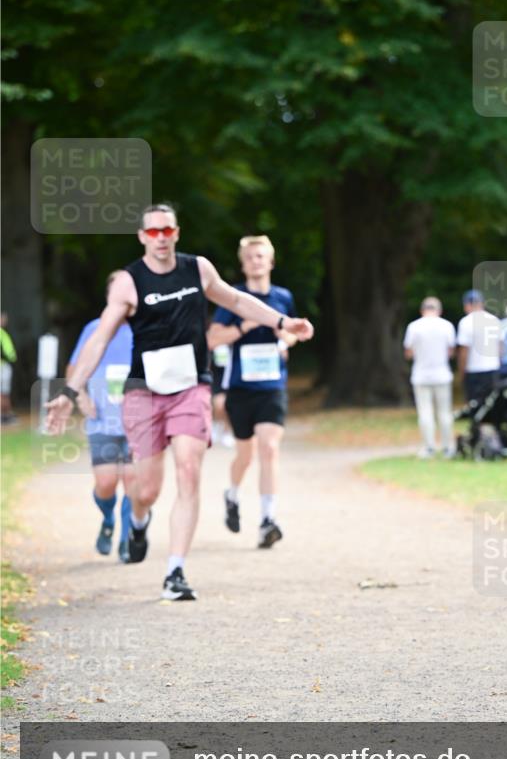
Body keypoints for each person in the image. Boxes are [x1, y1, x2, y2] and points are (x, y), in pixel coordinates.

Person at [46, 206, 314, 600]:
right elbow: (99, 340)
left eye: (166, 229)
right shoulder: (128, 282)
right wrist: (70, 391)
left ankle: (175, 572)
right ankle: (138, 522)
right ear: (142, 236)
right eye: (152, 231)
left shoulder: (198, 269)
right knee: (147, 488)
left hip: (191, 386)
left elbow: (238, 300)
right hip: (144, 390)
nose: (160, 237)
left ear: (176, 233)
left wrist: (281, 322)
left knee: (189, 470)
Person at [207, 235, 299, 548]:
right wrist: (243, 327)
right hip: (240, 388)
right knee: (245, 455)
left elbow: (293, 335)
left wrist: (285, 338)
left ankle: (267, 520)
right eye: (250, 257)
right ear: (243, 263)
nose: (256, 262)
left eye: (261, 256)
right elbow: (212, 339)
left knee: (269, 449)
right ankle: (232, 495)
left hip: (272, 386)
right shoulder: (234, 298)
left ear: (270, 261)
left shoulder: (283, 298)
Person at [67, 272, 135, 559]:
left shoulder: (145, 329)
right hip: (102, 420)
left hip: (137, 423)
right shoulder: (94, 329)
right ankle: (108, 520)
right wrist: (81, 396)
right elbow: (73, 370)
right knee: (106, 484)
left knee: (134, 482)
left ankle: (127, 539)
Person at [403, 296, 456, 458]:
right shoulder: (447, 326)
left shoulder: (414, 327)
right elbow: (451, 351)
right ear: (439, 310)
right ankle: (447, 447)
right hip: (442, 374)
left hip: (421, 375)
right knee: (445, 412)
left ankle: (429, 447)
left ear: (422, 310)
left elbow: (408, 353)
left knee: (425, 412)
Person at [456, 290, 501, 405]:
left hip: (474, 370)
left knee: (475, 405)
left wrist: (462, 372)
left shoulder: (465, 322)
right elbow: (500, 348)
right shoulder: (494, 320)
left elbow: (464, 352)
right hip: (493, 369)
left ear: (467, 305)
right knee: (491, 404)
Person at [210, 338, 234, 448]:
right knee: (219, 404)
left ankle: (227, 431)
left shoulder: (235, 343)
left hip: (233, 380)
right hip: (218, 380)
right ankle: (217, 424)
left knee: (229, 406)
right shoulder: (214, 345)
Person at [0, 312, 17, 425]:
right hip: (3, 366)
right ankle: (5, 415)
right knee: (3, 392)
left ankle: (6, 415)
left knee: (4, 392)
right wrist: (11, 357)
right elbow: (9, 353)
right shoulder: (2, 334)